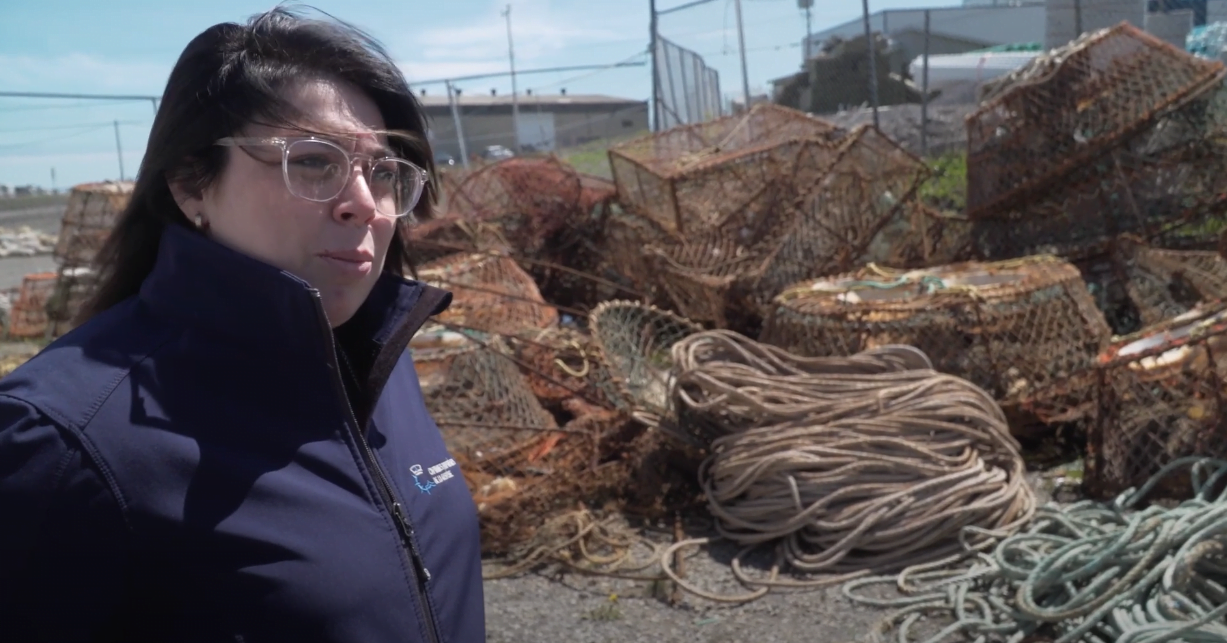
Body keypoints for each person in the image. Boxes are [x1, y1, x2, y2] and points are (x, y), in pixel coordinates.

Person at [0, 7, 485, 643]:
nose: (364, 204)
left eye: (385, 171)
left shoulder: (374, 363)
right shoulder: (61, 444)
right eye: (313, 161)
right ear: (190, 183)